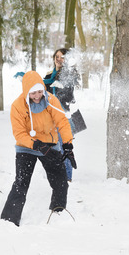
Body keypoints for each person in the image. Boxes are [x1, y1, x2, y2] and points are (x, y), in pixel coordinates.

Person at [0, 71, 77, 227]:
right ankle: (9, 219)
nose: (37, 95)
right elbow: (19, 133)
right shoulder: (17, 106)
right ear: (26, 91)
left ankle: (58, 211)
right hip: (27, 147)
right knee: (21, 182)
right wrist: (34, 144)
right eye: (33, 92)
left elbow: (62, 122)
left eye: (40, 91)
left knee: (60, 178)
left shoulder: (51, 100)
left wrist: (67, 145)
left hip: (49, 145)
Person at [43, 48, 80, 182]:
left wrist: (61, 89)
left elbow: (69, 96)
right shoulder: (49, 76)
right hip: (50, 115)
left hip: (65, 115)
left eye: (62, 57)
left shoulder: (70, 74)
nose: (58, 59)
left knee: (65, 145)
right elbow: (43, 94)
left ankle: (67, 177)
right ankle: (57, 174)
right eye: (56, 56)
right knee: (53, 146)